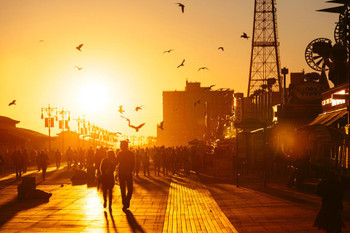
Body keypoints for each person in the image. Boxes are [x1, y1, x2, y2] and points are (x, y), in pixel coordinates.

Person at [116, 141, 135, 211]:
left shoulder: (120, 153)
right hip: (127, 173)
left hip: (122, 173)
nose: (120, 146)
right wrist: (130, 170)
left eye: (121, 145)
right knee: (130, 189)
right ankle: (127, 201)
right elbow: (133, 164)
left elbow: (116, 162)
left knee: (123, 189)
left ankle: (125, 202)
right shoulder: (131, 154)